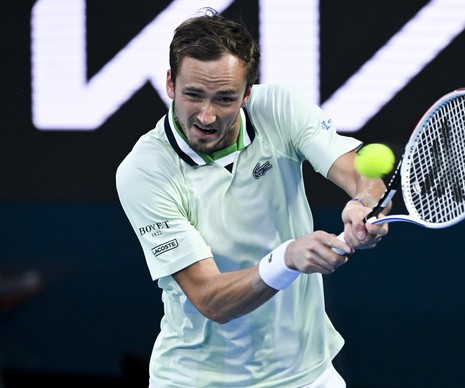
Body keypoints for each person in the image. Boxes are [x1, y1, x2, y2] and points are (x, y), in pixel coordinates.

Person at [116, 8, 390, 387]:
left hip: (307, 374)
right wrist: (287, 258)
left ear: (247, 93)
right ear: (170, 84)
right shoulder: (144, 171)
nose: (207, 116)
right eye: (194, 95)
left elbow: (360, 172)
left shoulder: (278, 107)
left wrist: (365, 202)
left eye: (225, 99)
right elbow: (210, 299)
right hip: (200, 380)